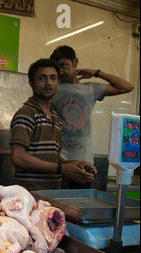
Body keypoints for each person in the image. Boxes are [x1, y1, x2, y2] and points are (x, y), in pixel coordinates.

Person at [50, 45, 134, 188]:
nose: (61, 71)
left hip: (84, 162)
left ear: (75, 62)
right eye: (57, 67)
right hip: (59, 161)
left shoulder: (90, 89)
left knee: (78, 206)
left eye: (64, 66)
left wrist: (96, 73)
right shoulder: (52, 88)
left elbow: (127, 87)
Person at [10, 58, 95, 191]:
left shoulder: (55, 116)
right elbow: (18, 157)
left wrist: (72, 164)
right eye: (42, 78)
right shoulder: (27, 114)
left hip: (53, 191)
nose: (48, 83)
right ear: (31, 83)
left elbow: (53, 158)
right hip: (30, 193)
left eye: (53, 78)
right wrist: (62, 168)